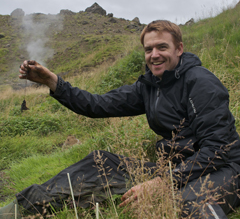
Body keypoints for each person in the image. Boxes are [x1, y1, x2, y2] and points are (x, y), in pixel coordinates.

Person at [1, 20, 240, 218]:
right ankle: (17, 211)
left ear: (179, 49)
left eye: (162, 47)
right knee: (98, 162)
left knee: (185, 202)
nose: (154, 55)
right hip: (175, 167)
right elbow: (97, 104)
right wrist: (53, 82)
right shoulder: (149, 86)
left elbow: (217, 149)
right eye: (148, 50)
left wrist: (162, 183)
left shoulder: (201, 83)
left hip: (225, 167)